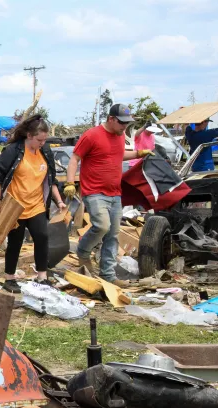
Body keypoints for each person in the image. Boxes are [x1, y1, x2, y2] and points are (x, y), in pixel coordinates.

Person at [64, 104, 153, 287]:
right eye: (122, 123)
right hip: (95, 191)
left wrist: (138, 153)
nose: (125, 127)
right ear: (111, 119)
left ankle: (108, 275)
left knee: (113, 234)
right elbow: (74, 159)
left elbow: (117, 155)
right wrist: (70, 182)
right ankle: (83, 250)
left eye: (127, 123)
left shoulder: (120, 136)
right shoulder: (91, 135)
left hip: (115, 193)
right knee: (102, 226)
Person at [0, 115, 66, 293]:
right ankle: (9, 278)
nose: (42, 143)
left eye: (44, 139)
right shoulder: (13, 151)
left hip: (36, 204)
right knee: (15, 242)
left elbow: (52, 179)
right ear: (29, 136)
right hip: (15, 204)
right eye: (39, 139)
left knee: (42, 237)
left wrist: (60, 201)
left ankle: (42, 277)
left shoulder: (45, 151)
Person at [185, 105, 218, 172]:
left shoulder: (189, 133)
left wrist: (186, 112)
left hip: (195, 165)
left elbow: (186, 125)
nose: (207, 124)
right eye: (207, 122)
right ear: (203, 122)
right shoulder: (207, 134)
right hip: (206, 167)